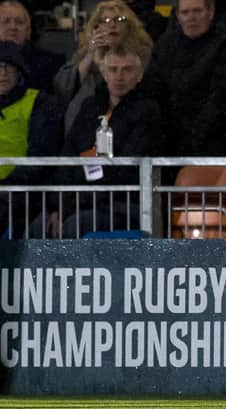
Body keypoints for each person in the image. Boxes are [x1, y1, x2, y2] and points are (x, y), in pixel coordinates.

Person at [30, 44, 162, 238]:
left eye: (127, 70)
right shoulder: (89, 106)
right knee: (38, 226)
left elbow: (125, 167)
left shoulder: (148, 110)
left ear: (139, 76)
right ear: (104, 73)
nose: (119, 76)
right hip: (82, 201)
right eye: (113, 69)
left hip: (122, 204)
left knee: (76, 225)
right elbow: (69, 157)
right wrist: (58, 206)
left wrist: (78, 200)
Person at [148, 0, 226, 156]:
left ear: (210, 12)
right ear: (178, 16)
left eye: (197, 11)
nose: (191, 17)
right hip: (171, 140)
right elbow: (155, 89)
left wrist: (192, 137)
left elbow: (223, 97)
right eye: (185, 12)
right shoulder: (166, 45)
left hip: (216, 141)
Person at [54, 0, 153, 137]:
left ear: (129, 26)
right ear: (96, 27)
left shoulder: (141, 53)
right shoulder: (84, 53)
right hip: (81, 128)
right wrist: (90, 54)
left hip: (125, 125)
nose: (112, 25)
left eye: (119, 19)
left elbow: (127, 88)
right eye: (105, 20)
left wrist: (102, 64)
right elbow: (62, 88)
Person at [0, 41, 63, 237]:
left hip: (22, 192)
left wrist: (7, 182)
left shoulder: (40, 102)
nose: (2, 74)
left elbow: (40, 155)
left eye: (8, 68)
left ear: (19, 73)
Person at [0, 0, 64, 93]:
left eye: (19, 22)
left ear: (28, 31)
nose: (13, 27)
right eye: (6, 21)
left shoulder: (51, 64)